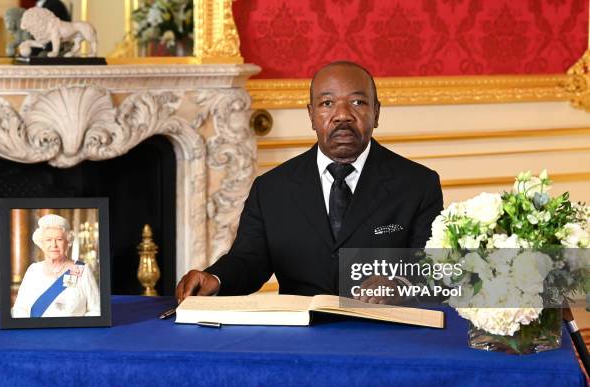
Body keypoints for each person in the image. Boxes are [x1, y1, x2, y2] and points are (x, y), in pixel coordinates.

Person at [176, 61, 443, 302]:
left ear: (377, 112)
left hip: (385, 332)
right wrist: (215, 278)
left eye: (357, 103)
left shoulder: (418, 184)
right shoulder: (271, 189)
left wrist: (400, 284)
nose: (342, 115)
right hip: (302, 336)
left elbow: (434, 269)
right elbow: (248, 260)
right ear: (311, 115)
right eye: (327, 104)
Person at [12, 214, 100, 318]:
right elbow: (19, 309)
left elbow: (96, 310)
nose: (54, 245)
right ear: (41, 244)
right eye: (48, 240)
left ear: (68, 242)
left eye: (59, 239)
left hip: (72, 332)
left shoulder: (82, 270)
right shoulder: (33, 270)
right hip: (38, 332)